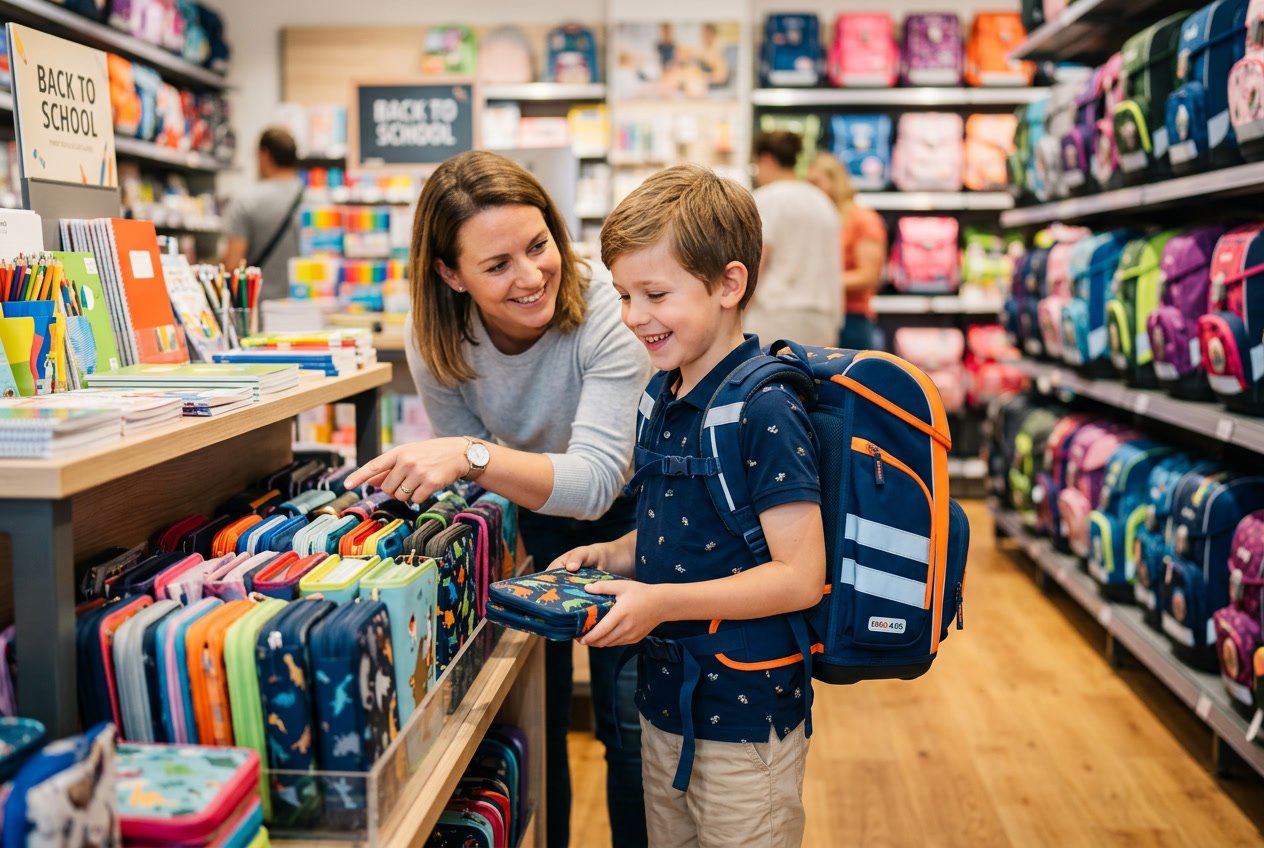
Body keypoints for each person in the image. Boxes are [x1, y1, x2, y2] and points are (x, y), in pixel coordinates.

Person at [342, 151, 651, 848]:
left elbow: (599, 477)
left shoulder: (609, 308)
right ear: (450, 274)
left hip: (637, 520)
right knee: (530, 724)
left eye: (539, 245)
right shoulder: (438, 336)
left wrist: (473, 457)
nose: (532, 274)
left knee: (630, 727)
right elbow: (481, 474)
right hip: (523, 518)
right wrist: (478, 470)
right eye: (498, 265)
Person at [552, 164, 826, 847]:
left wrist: (660, 604)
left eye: (655, 293)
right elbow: (673, 531)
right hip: (664, 703)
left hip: (747, 715)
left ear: (729, 284)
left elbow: (798, 575)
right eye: (622, 295)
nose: (634, 317)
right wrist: (610, 555)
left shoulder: (767, 409)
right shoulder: (661, 396)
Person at [747, 131, 842, 347]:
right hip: (823, 318)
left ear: (766, 160)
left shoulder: (765, 199)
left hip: (775, 318)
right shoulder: (822, 202)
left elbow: (757, 262)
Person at [805, 152, 889, 350]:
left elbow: (868, 277)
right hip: (820, 315)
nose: (811, 191)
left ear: (836, 182)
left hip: (852, 320)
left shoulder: (862, 220)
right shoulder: (819, 221)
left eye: (816, 183)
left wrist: (816, 283)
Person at [222, 127, 305, 302]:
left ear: (265, 156)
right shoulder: (316, 202)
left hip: (261, 313)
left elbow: (232, 266)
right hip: (308, 310)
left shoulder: (246, 201)